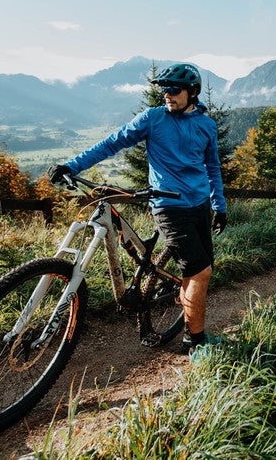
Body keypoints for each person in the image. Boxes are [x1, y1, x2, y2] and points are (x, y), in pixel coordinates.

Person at [48, 62, 226, 353]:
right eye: (163, 89)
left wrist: (219, 205)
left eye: (174, 89)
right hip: (169, 206)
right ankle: (197, 345)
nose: (167, 95)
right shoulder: (153, 118)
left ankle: (186, 333)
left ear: (192, 93)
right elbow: (112, 143)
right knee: (201, 273)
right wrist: (72, 165)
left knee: (194, 273)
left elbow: (212, 167)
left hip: (200, 205)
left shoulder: (206, 125)